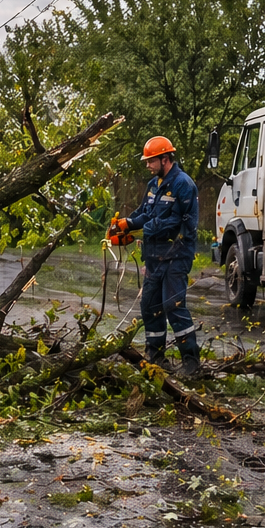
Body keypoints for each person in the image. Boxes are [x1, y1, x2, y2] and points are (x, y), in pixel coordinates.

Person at [112, 137, 202, 376]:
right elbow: (144, 213)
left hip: (176, 256)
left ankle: (192, 364)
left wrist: (143, 228)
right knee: (150, 306)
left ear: (165, 158)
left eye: (150, 161)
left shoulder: (184, 185)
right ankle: (156, 358)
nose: (147, 165)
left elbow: (179, 222)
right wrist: (126, 225)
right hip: (154, 257)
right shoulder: (154, 184)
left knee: (173, 306)